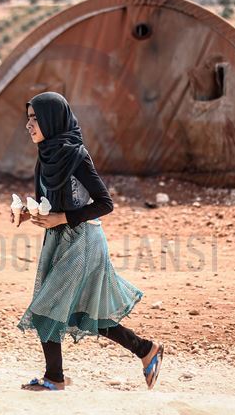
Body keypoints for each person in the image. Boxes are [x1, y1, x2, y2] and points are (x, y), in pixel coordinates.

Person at [13, 92, 163, 391]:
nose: (29, 125)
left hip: (83, 241)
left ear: (52, 120)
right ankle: (146, 349)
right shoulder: (45, 157)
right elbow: (49, 205)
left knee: (46, 306)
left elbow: (105, 203)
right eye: (28, 118)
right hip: (58, 240)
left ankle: (54, 378)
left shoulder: (75, 156)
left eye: (35, 118)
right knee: (84, 311)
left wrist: (63, 218)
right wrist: (30, 215)